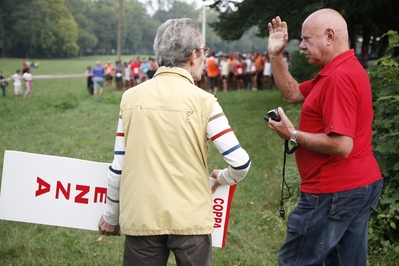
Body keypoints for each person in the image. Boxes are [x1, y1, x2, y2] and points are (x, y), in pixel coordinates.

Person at [98, 18, 251, 266]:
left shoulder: (130, 98)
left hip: (141, 217)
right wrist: (221, 179)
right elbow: (241, 164)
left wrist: (111, 216)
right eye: (204, 51)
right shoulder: (205, 102)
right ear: (193, 55)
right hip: (191, 219)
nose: (204, 57)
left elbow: (118, 168)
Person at [267, 9, 382, 266]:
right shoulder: (337, 70)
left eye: (307, 39)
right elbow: (293, 93)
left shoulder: (339, 78)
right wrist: (275, 55)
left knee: (295, 261)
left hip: (333, 193)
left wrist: (293, 134)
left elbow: (342, 145)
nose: (302, 46)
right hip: (357, 185)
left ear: (330, 36)